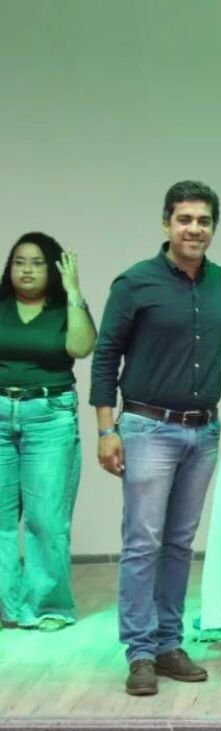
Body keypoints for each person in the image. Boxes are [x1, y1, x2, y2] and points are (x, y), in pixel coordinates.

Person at [90, 181, 221, 696]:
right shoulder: (135, 283)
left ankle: (169, 644)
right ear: (167, 223)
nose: (194, 229)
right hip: (148, 428)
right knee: (142, 543)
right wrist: (107, 428)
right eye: (184, 219)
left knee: (178, 543)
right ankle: (140, 652)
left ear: (213, 227)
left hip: (204, 431)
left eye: (204, 221)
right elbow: (106, 356)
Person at [1, 233, 94, 633]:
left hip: (49, 416)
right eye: (19, 261)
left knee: (46, 519)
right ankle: (6, 607)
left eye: (37, 262)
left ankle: (48, 607)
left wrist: (74, 291)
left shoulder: (64, 309)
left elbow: (81, 347)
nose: (27, 269)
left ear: (53, 268)